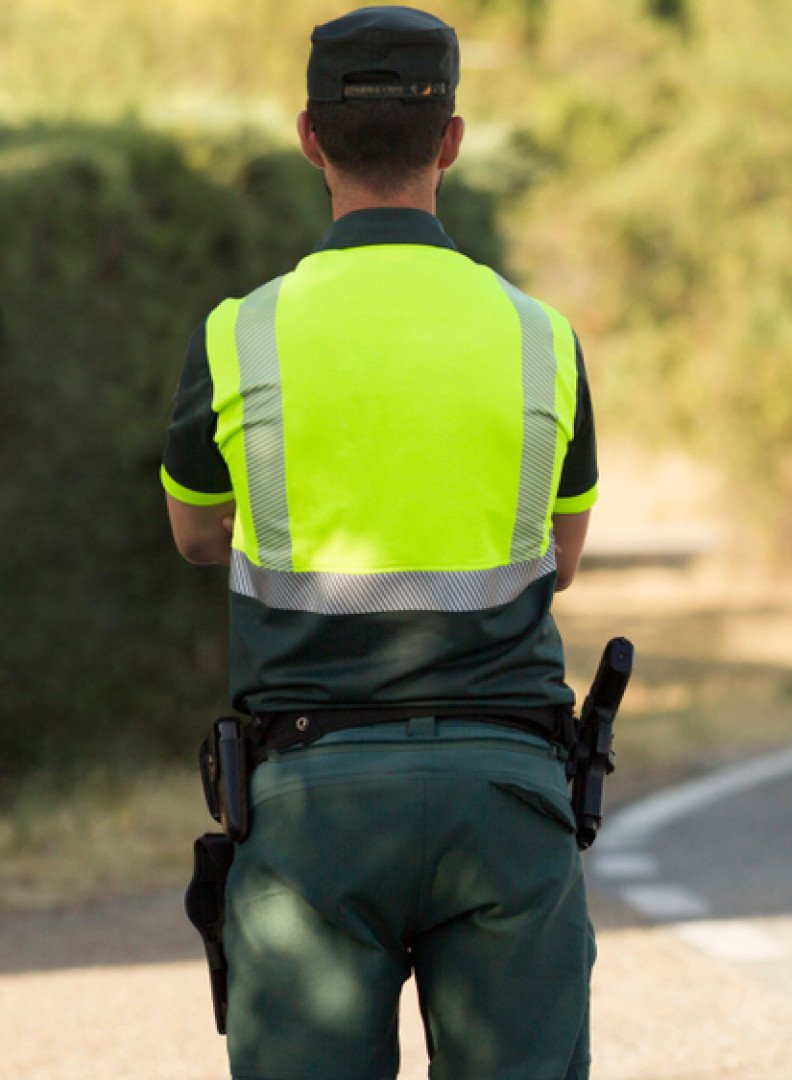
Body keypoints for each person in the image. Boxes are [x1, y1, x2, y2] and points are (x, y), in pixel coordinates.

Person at [160, 8, 598, 1076]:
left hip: (313, 802)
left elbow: (192, 534)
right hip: (507, 792)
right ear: (451, 139)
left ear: (309, 137)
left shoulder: (238, 333)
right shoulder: (543, 337)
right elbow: (564, 555)